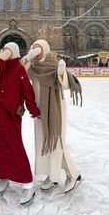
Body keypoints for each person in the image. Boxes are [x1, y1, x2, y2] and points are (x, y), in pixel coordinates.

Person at [22, 39, 82, 194]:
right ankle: (52, 175)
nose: (36, 51)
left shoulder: (53, 63)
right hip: (39, 110)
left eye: (38, 48)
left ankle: (72, 175)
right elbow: (21, 72)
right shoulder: (34, 66)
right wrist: (28, 58)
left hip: (54, 110)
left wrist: (61, 73)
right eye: (34, 48)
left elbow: (66, 85)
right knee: (45, 143)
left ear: (45, 49)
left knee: (56, 144)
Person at [0, 42, 40, 205]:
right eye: (3, 49)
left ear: (14, 52)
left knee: (14, 146)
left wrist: (33, 110)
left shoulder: (19, 69)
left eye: (8, 50)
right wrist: (2, 59)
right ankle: (4, 175)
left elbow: (28, 90)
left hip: (11, 115)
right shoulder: (1, 67)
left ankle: (28, 182)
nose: (4, 52)